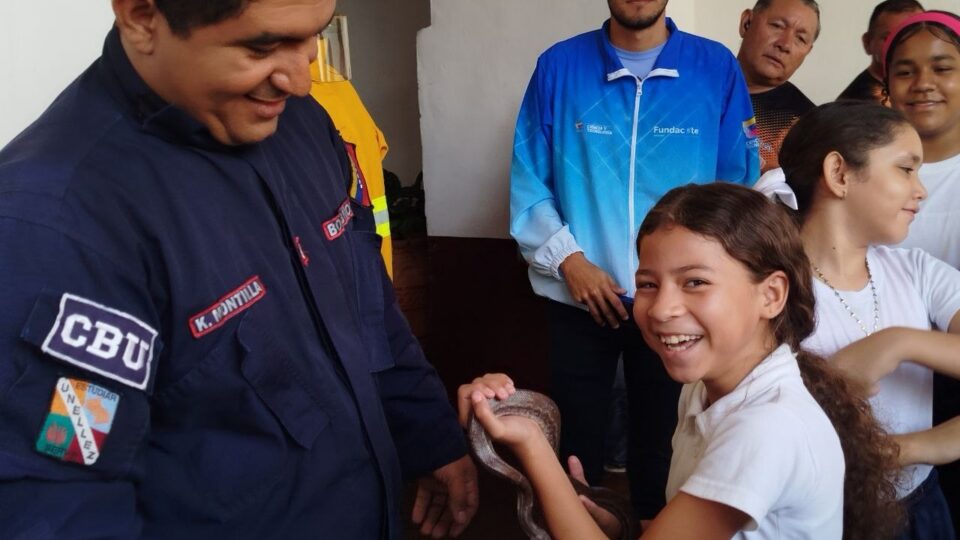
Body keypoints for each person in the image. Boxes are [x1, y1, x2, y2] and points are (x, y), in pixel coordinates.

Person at [0, 1, 476, 538]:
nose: (301, 80)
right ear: (141, 16)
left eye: (313, 37)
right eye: (263, 46)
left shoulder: (301, 122)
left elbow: (368, 303)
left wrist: (427, 433)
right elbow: (62, 502)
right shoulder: (57, 222)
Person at [464, 183, 903, 539]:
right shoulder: (703, 389)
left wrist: (533, 445)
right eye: (648, 284)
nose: (661, 309)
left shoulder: (766, 428)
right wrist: (609, 522)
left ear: (771, 295)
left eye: (695, 282)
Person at [509, 0, 760, 521]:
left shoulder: (714, 68)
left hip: (678, 304)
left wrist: (696, 279)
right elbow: (528, 179)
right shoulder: (559, 66)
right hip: (579, 294)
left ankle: (654, 525)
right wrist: (570, 260)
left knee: (667, 437)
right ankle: (575, 526)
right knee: (576, 438)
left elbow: (737, 185)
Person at [770, 100, 960, 539]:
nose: (921, 190)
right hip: (811, 515)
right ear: (839, 173)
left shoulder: (917, 272)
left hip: (919, 505)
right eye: (906, 169)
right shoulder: (769, 290)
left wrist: (899, 343)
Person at [883, 11, 960, 532]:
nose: (923, 83)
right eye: (905, 71)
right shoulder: (862, 167)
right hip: (888, 386)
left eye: (942, 67)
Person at [736, 0, 819, 172]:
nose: (785, 44)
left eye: (800, 39)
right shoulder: (696, 83)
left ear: (808, 51)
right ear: (746, 22)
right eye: (777, 26)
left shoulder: (808, 126)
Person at [837, 0, 924, 104]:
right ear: (868, 43)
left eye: (915, 36)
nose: (905, 47)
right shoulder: (857, 106)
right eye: (889, 38)